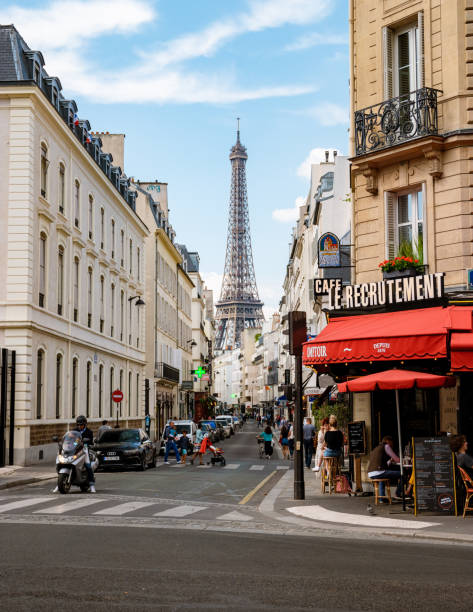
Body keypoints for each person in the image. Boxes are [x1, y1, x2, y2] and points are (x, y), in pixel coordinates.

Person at [367, 435, 403, 499]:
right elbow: (397, 459)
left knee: (382, 476)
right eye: (391, 442)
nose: (392, 444)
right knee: (402, 474)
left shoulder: (376, 448)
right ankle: (398, 493)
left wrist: (390, 460)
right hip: (378, 471)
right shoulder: (386, 446)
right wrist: (403, 460)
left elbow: (383, 463)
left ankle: (382, 498)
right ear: (387, 441)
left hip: (370, 473)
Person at [75, 415, 96, 493]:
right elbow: (71, 439)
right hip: (75, 450)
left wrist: (86, 443)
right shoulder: (74, 431)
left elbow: (91, 442)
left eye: (81, 425)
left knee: (88, 465)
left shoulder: (89, 432)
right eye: (78, 425)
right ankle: (59, 484)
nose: (80, 426)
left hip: (85, 450)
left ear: (85, 424)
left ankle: (92, 485)